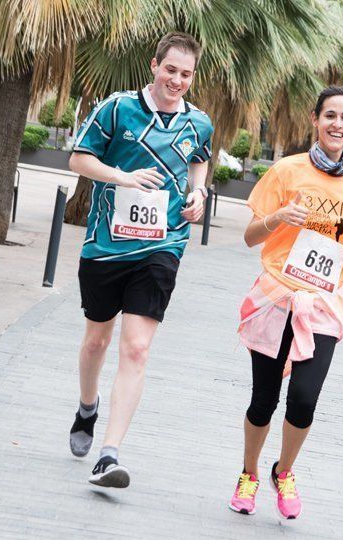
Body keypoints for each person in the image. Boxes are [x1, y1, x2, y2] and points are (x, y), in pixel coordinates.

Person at [66, 32, 212, 488]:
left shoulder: (198, 123)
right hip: (106, 245)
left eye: (186, 74)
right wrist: (121, 176)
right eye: (171, 70)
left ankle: (109, 456)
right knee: (97, 342)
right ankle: (87, 407)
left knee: (137, 347)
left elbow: (200, 161)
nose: (177, 81)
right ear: (154, 65)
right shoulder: (117, 107)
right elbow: (78, 159)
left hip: (163, 244)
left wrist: (198, 192)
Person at [230, 85, 343, 519]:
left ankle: (285, 471)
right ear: (315, 120)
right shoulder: (286, 170)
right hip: (278, 295)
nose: (338, 124)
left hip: (327, 302)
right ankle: (250, 473)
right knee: (264, 399)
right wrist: (277, 218)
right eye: (329, 115)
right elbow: (251, 235)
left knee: (305, 398)